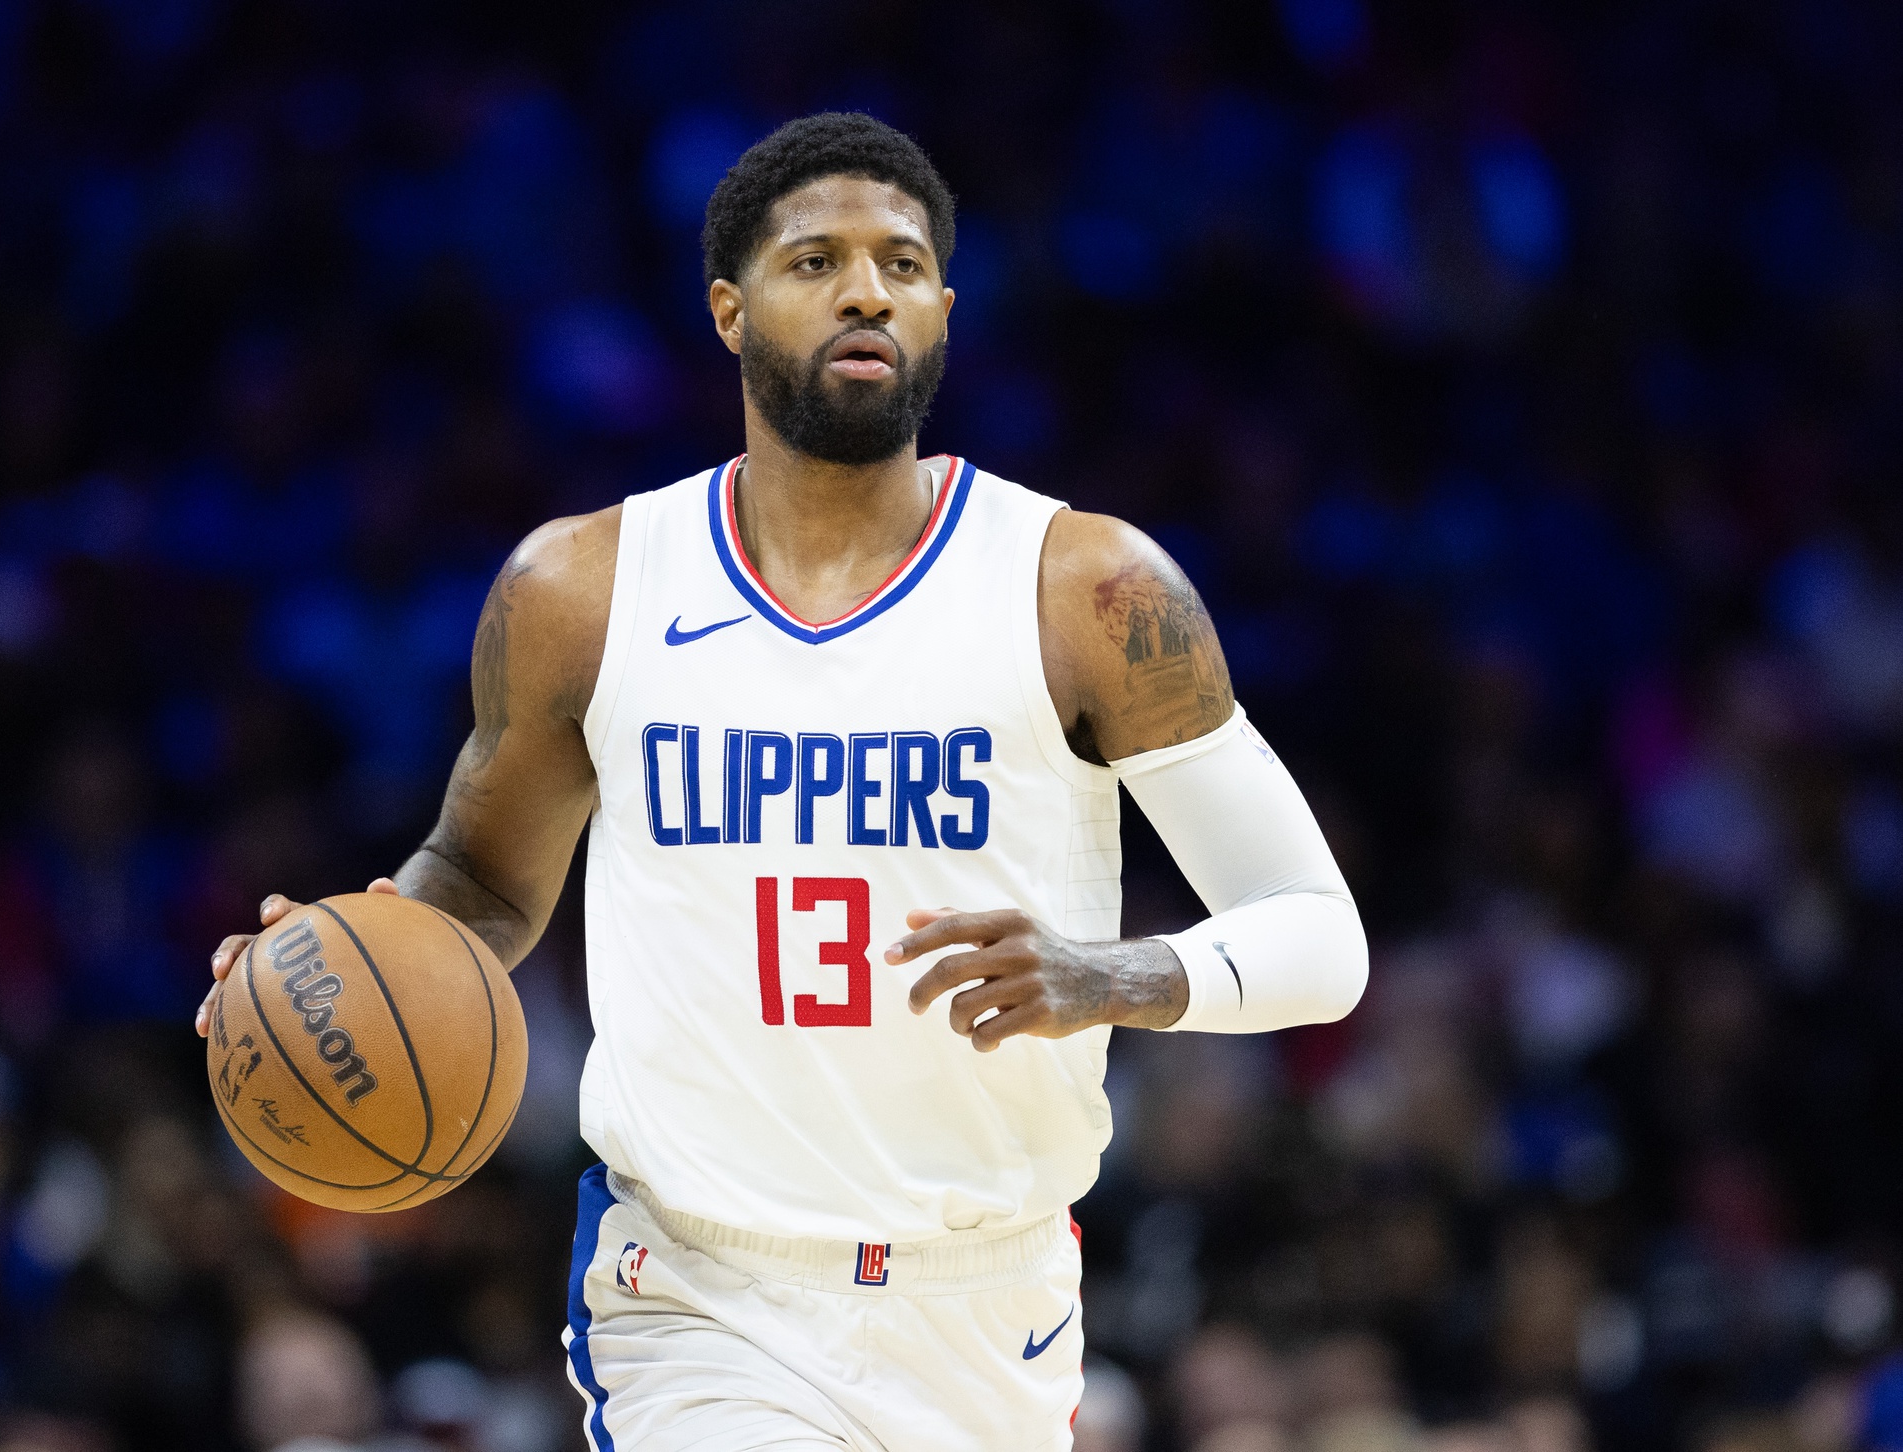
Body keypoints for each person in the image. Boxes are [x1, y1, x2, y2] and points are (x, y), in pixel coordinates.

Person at [198, 112, 1368, 1452]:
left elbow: (1318, 939)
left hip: (988, 1299)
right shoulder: (583, 588)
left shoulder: (1088, 588)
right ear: (727, 312)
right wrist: (349, 958)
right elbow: (474, 885)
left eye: (901, 262)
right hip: (699, 1291)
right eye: (814, 260)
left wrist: (1107, 977)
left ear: (940, 307)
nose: (865, 287)